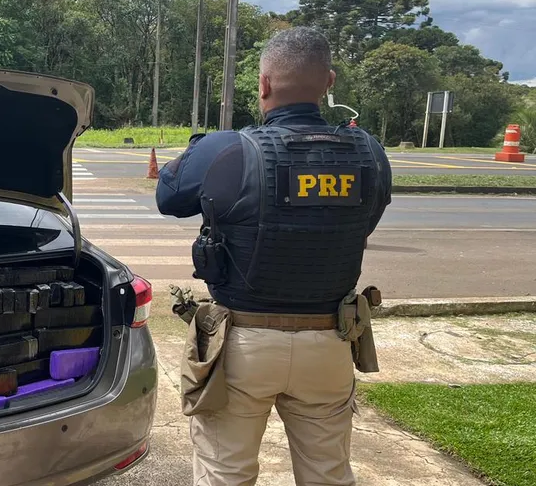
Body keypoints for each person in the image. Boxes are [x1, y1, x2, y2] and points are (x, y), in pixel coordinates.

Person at [156, 26, 392, 486]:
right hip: (329, 341)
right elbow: (365, 224)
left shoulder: (227, 148)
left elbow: (169, 197)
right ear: (329, 82)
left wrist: (197, 149)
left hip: (241, 345)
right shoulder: (370, 152)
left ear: (263, 84)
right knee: (328, 474)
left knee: (225, 473)